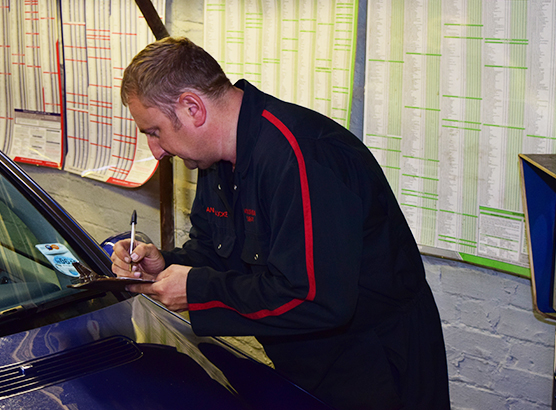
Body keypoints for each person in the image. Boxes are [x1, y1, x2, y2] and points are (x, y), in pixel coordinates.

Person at [111, 36, 450, 410]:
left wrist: (196, 290)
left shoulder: (303, 157)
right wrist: (167, 265)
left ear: (192, 108)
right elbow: (217, 249)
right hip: (305, 362)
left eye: (154, 132)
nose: (156, 151)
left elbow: (314, 298)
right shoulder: (214, 159)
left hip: (376, 367)